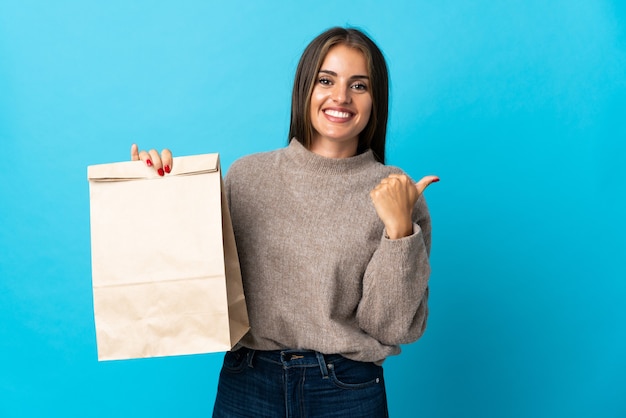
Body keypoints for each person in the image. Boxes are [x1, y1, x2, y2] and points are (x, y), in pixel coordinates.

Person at [131, 26, 438, 418]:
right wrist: (157, 189)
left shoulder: (396, 191)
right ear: (304, 88)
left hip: (347, 391)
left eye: (358, 85)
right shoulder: (246, 178)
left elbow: (390, 328)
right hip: (248, 383)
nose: (340, 97)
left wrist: (398, 231)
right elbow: (189, 280)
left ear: (376, 99)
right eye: (326, 80)